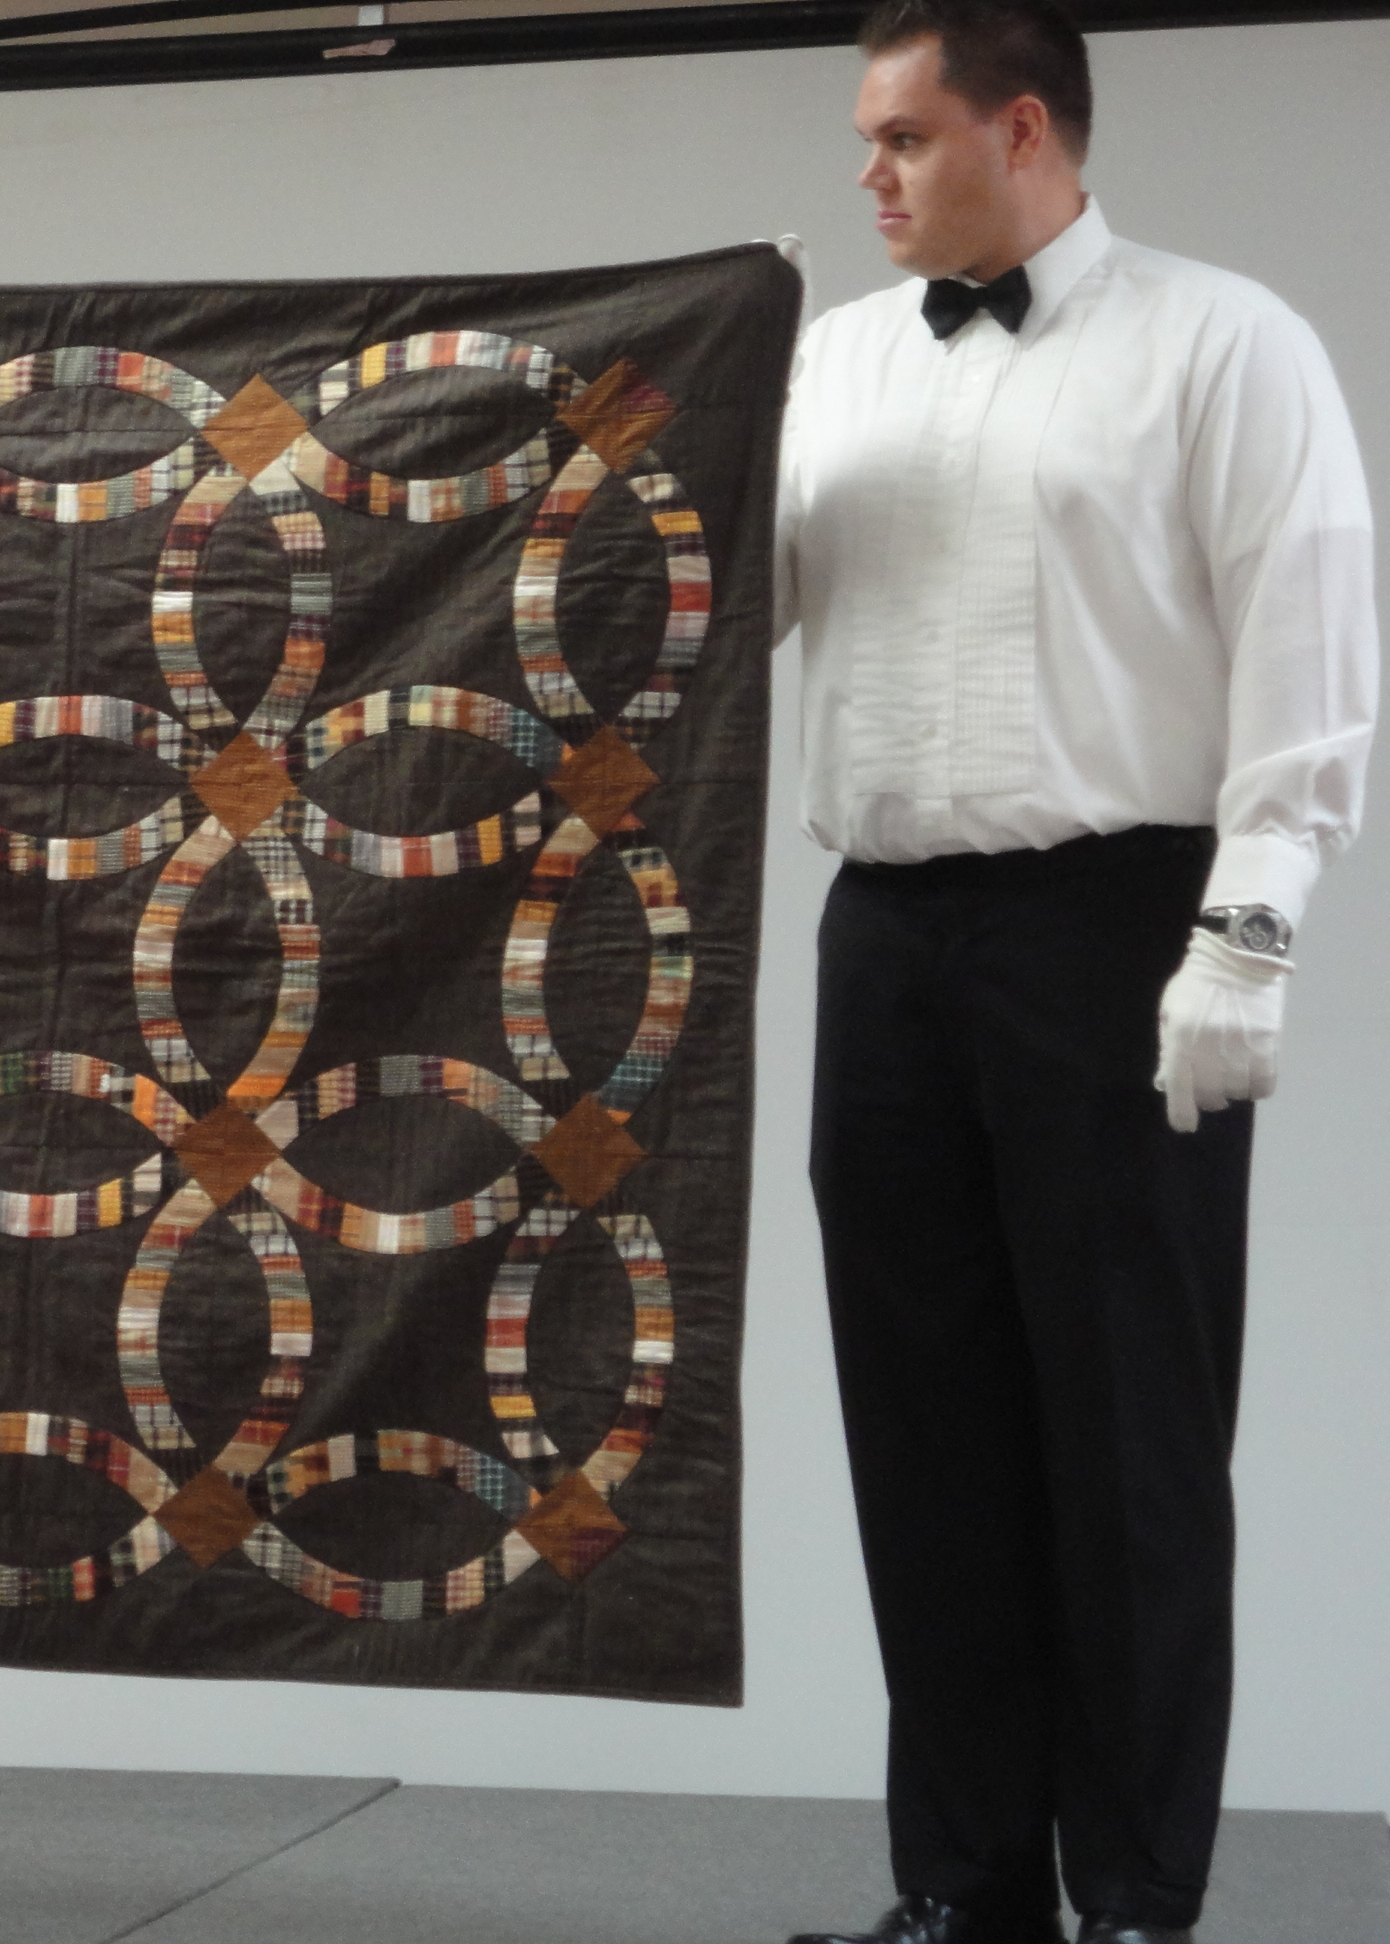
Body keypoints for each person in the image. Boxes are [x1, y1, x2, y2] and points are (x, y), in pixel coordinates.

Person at [774, 5, 1376, 1942]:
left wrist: (1248, 937)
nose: (868, 173)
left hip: (1120, 927)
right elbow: (712, 603)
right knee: (923, 1428)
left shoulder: (1225, 342)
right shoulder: (830, 361)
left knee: (1127, 1434)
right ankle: (965, 1892)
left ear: (1020, 129)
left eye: (902, 137)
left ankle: (1131, 1902)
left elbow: (1307, 647)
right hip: (885, 933)